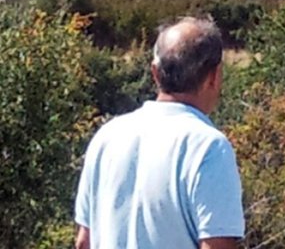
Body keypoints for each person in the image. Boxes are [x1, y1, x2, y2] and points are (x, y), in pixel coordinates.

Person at [74, 17, 245, 249]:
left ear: (155, 73)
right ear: (214, 76)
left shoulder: (107, 136)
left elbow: (84, 241)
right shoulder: (208, 146)